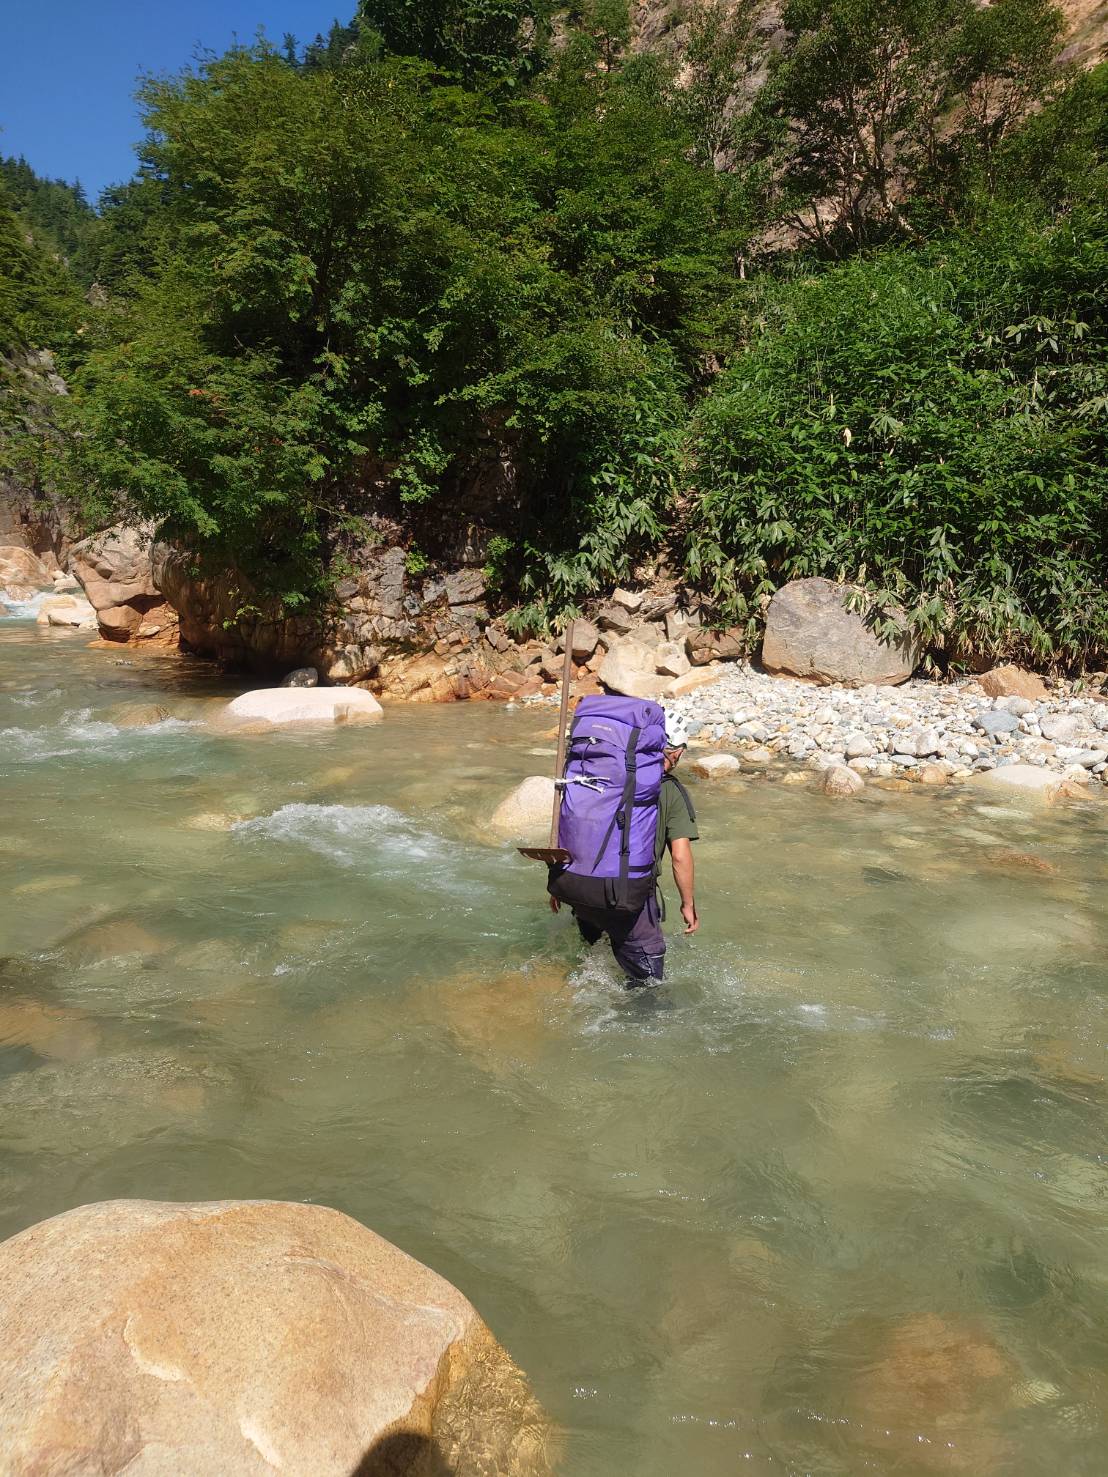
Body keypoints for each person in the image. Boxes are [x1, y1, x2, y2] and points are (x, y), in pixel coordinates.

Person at [551, 716, 699, 986]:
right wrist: (688, 904)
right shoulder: (669, 791)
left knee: (588, 964)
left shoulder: (601, 780)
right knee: (649, 985)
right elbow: (680, 855)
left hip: (579, 889)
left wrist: (558, 883)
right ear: (676, 752)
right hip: (628, 896)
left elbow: (572, 827)